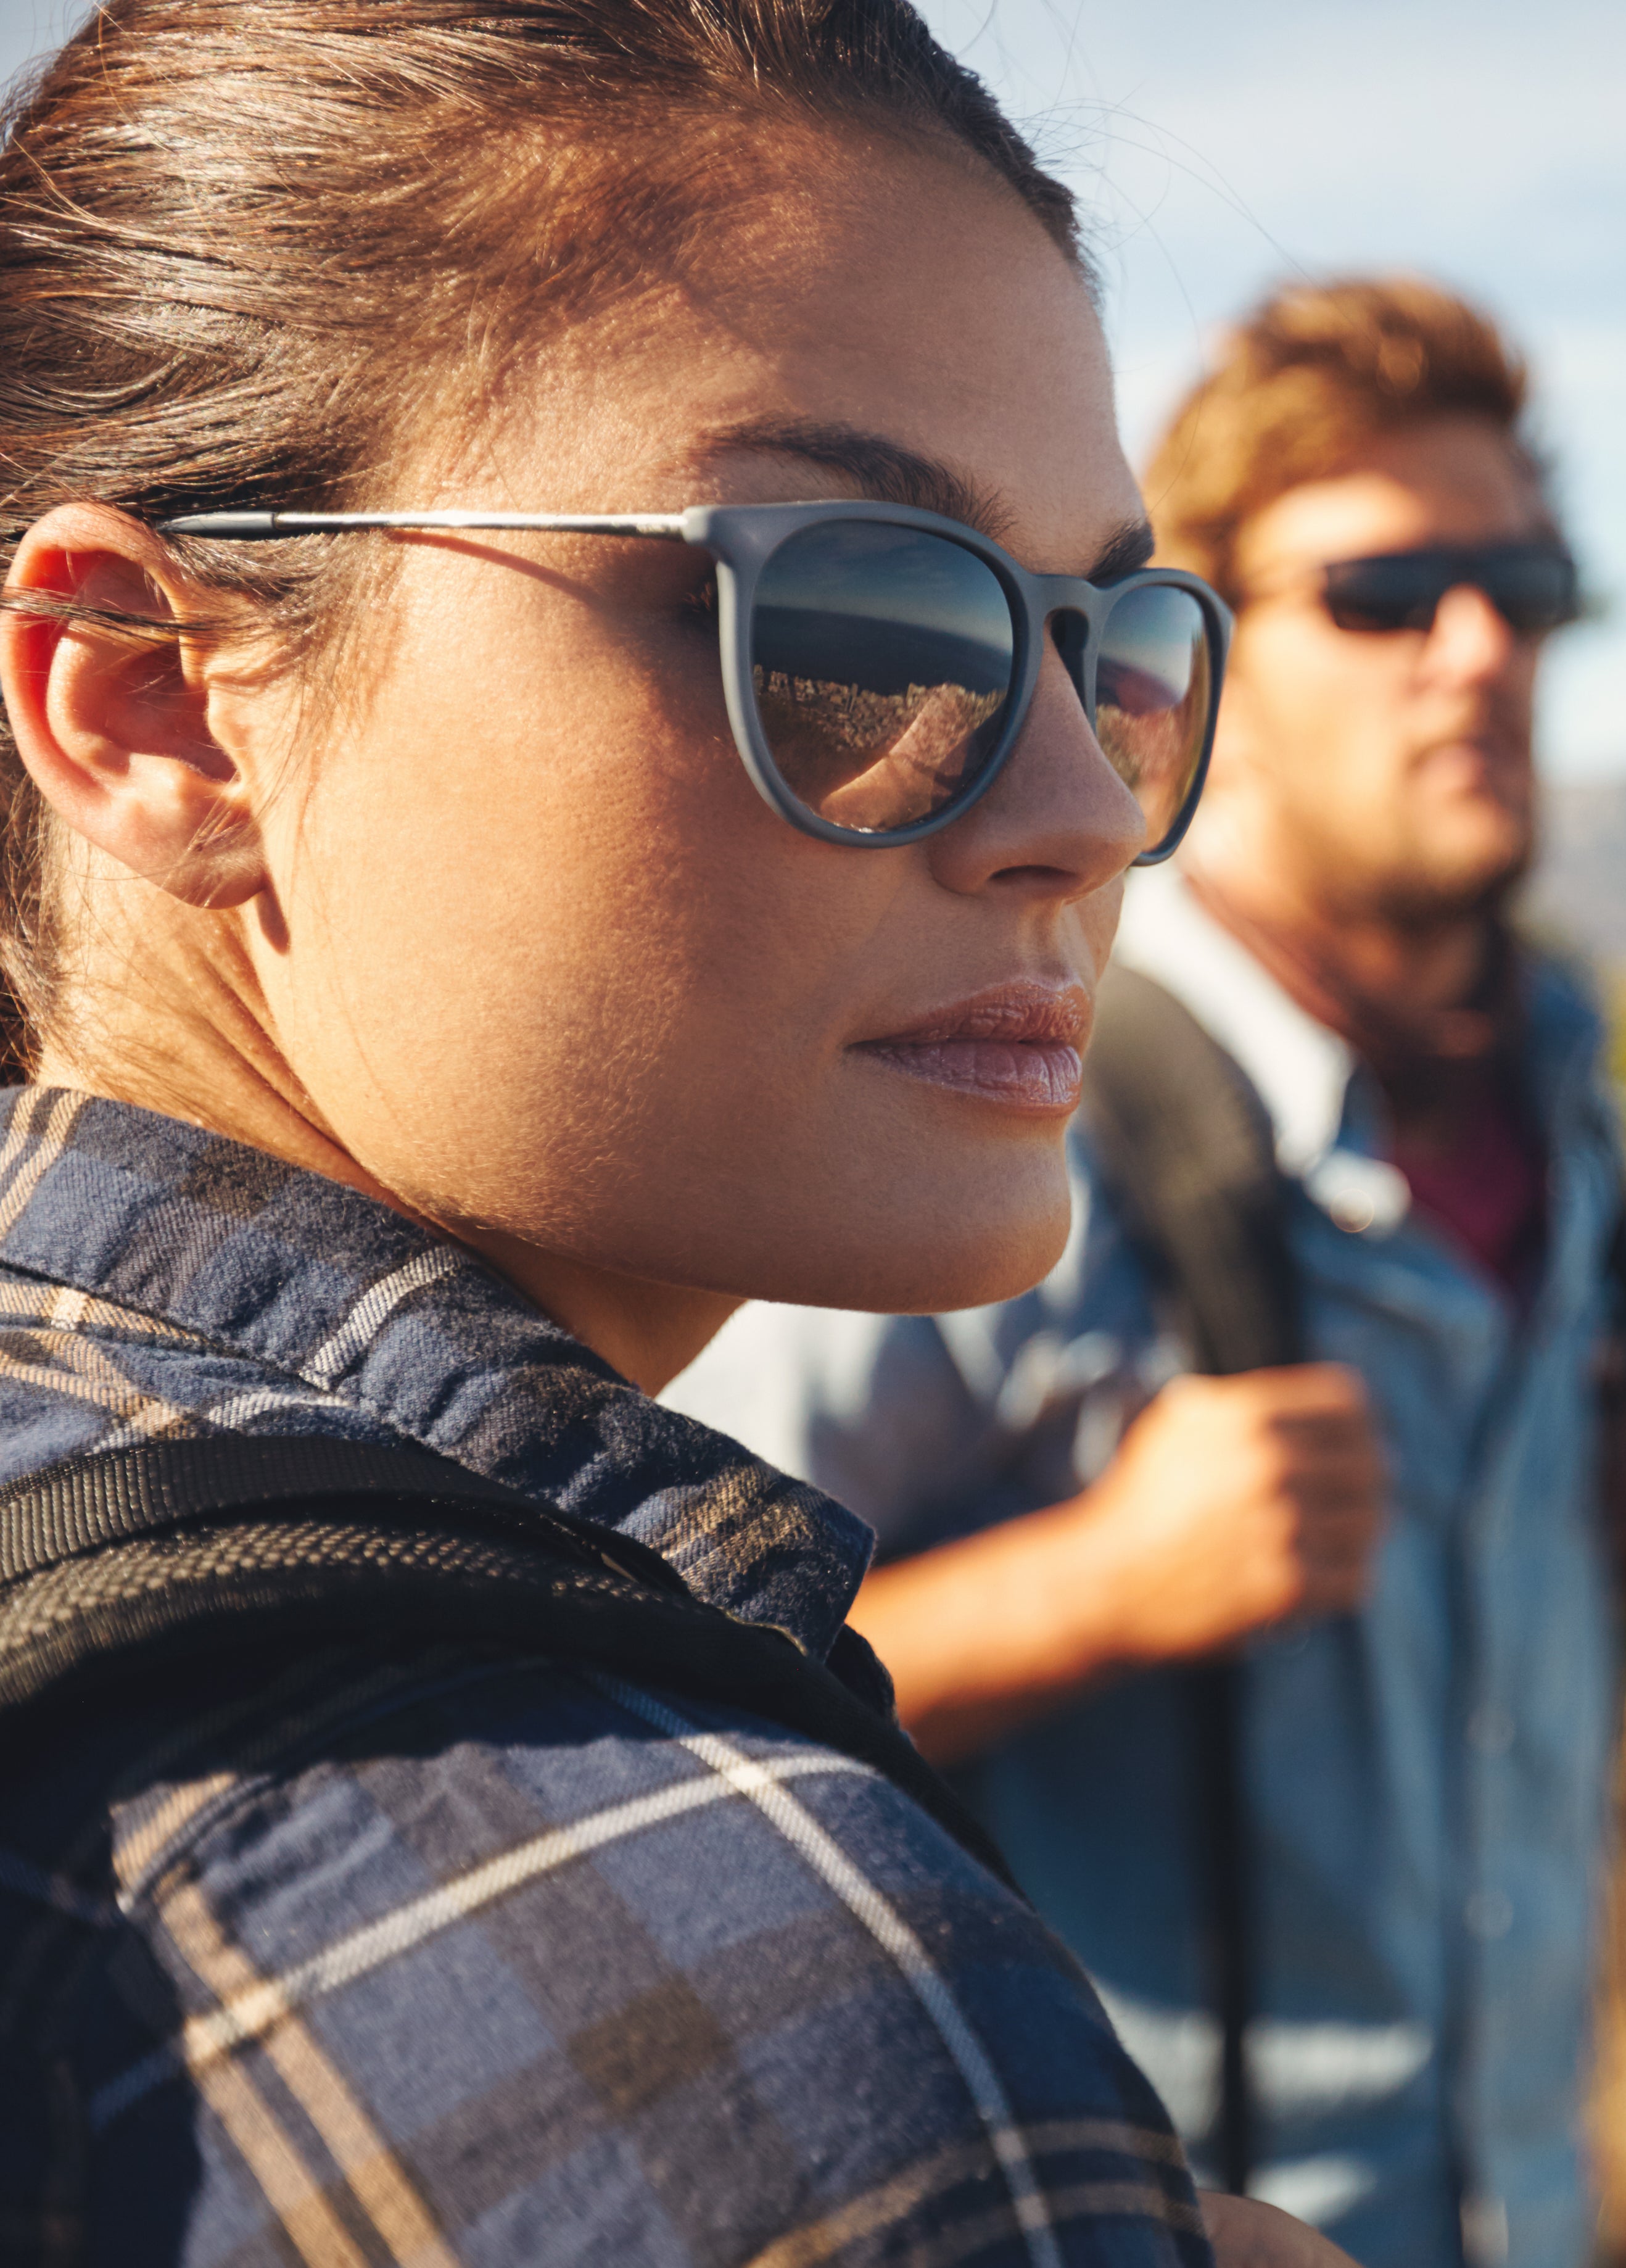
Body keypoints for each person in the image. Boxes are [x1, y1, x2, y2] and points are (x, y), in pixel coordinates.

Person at [0, 4, 1352, 2261]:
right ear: (155, 702)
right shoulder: (799, 2039)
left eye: (1103, 637)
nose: (1082, 812)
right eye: (843, 612)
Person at [667, 278, 1626, 2268]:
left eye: (1522, 588)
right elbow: (653, 1696)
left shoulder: (1563, 1071)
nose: (1479, 651)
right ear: (1203, 675)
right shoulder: (1018, 1098)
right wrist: (1099, 1586)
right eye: (1384, 595)